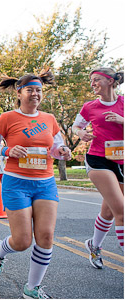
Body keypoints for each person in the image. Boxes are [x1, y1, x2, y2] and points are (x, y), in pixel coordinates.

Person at [0, 71, 71, 299]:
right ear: (19, 91)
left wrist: (63, 151)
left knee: (46, 236)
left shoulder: (49, 119)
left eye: (39, 90)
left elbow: (57, 148)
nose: (35, 94)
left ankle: (32, 288)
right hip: (17, 183)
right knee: (22, 241)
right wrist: (6, 150)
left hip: (45, 183)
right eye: (30, 89)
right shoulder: (7, 118)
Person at [73, 67, 124, 268]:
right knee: (121, 210)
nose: (92, 84)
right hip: (98, 159)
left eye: (96, 80)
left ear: (110, 81)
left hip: (121, 160)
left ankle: (94, 245)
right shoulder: (90, 106)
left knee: (110, 211)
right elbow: (76, 126)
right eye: (91, 81)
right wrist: (80, 133)